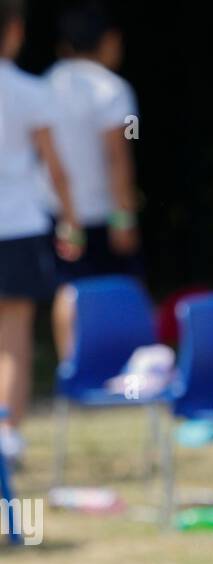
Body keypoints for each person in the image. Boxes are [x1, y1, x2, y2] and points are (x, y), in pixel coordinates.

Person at [0, 0, 81, 465]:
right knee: (14, 335)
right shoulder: (29, 90)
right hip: (18, 223)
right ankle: (8, 434)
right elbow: (56, 168)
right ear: (13, 32)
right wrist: (69, 220)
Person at [43, 2, 141, 361]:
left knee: (69, 288)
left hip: (58, 209)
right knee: (123, 288)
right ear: (109, 40)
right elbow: (117, 157)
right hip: (103, 209)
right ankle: (124, 364)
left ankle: (72, 366)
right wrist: (124, 216)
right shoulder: (111, 89)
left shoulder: (46, 85)